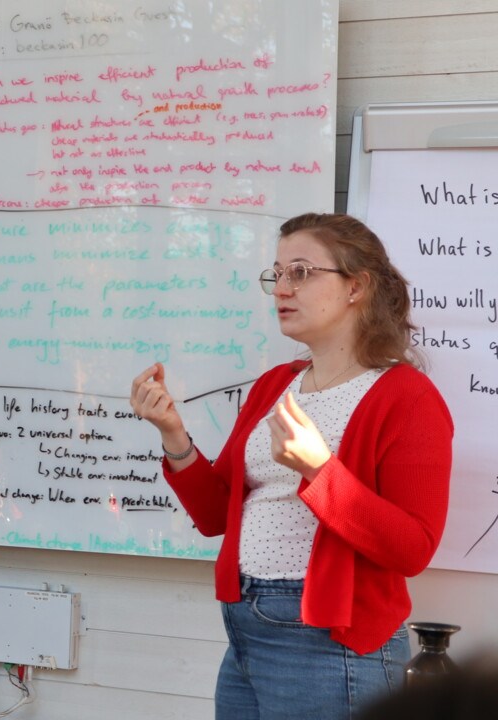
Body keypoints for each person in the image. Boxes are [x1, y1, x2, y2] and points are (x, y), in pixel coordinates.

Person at [130, 212, 452, 719]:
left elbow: (412, 548)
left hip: (331, 643)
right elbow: (217, 516)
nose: (282, 288)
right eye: (276, 274)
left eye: (300, 272)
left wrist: (319, 472)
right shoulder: (275, 384)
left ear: (356, 287)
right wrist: (174, 436)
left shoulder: (407, 396)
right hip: (244, 632)